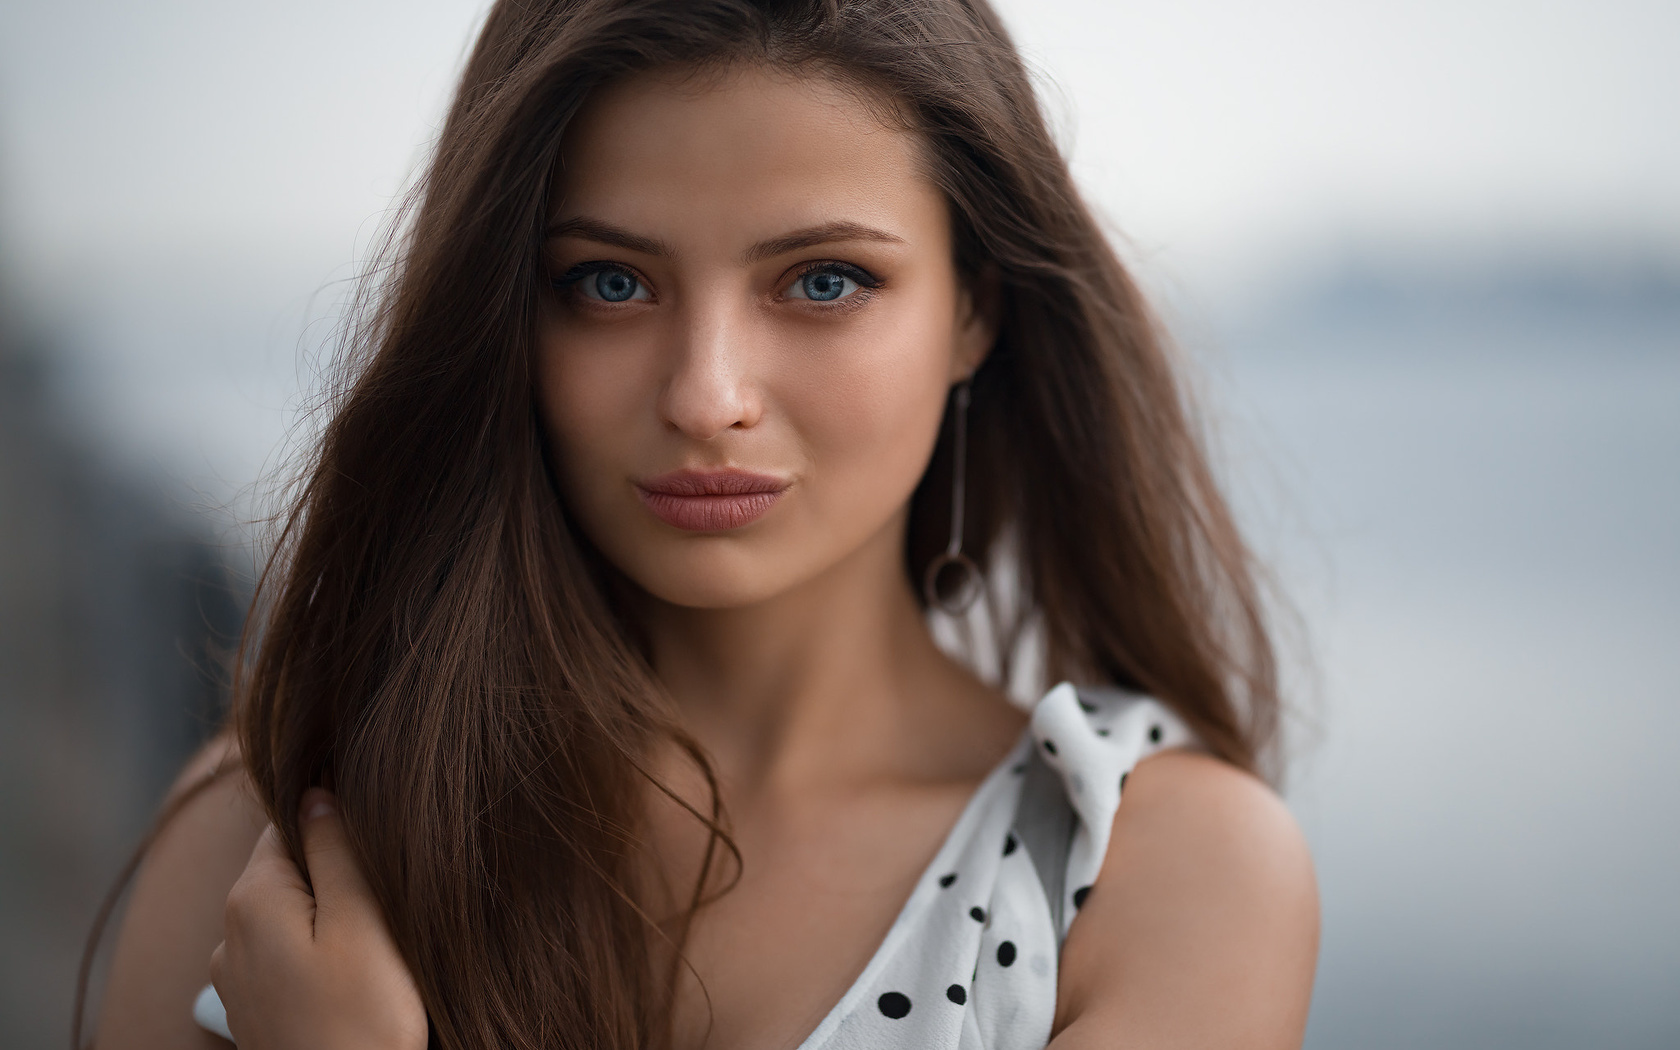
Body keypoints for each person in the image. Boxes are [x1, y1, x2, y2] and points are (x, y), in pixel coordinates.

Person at [90, 1, 1319, 1048]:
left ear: (973, 313)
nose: (705, 394)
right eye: (608, 284)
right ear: (506, 318)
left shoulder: (1144, 873)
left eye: (825, 280)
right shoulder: (273, 841)